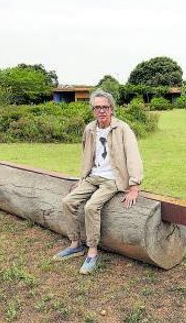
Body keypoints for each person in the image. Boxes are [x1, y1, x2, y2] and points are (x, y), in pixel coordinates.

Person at [53, 90, 143, 274]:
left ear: (111, 109)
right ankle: (75, 244)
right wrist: (82, 179)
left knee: (91, 207)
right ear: (93, 110)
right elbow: (86, 155)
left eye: (105, 107)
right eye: (97, 107)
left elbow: (134, 156)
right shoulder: (90, 129)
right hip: (93, 176)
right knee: (67, 201)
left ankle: (92, 252)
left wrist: (135, 185)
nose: (101, 111)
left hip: (113, 179)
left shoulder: (122, 128)